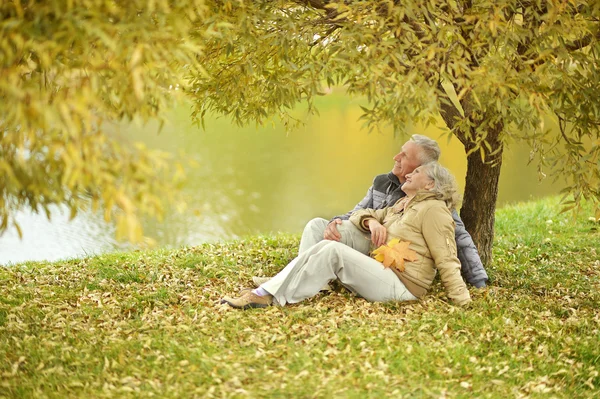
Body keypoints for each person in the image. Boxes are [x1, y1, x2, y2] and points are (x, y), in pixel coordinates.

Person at [222, 162, 472, 309]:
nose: (408, 174)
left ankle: (267, 295)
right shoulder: (404, 205)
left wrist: (462, 300)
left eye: (416, 172)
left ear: (430, 185)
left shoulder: (435, 210)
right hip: (383, 270)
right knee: (322, 239)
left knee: (332, 250)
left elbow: (446, 256)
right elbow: (363, 212)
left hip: (404, 286)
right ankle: (277, 287)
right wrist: (371, 221)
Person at [253, 134, 488, 288]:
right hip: (367, 239)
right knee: (318, 225)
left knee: (332, 246)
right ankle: (299, 280)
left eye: (404, 155)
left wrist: (478, 281)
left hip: (392, 261)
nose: (396, 157)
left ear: (422, 168)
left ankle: (289, 283)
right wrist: (336, 223)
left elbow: (459, 238)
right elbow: (356, 212)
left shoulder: (433, 199)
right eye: (400, 151)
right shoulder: (382, 182)